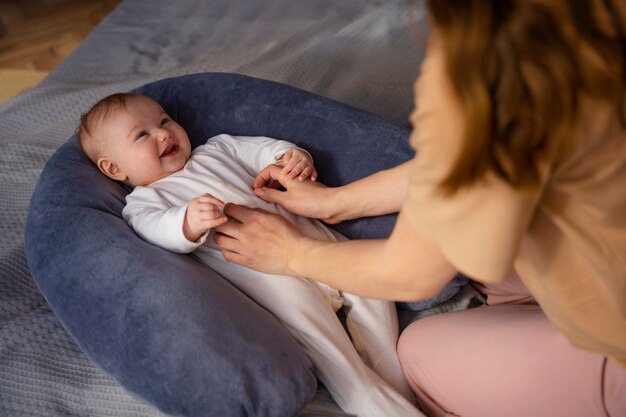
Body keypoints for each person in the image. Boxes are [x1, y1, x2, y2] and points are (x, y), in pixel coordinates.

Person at [211, 1, 626, 416]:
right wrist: (336, 202)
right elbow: (462, 161)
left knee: (419, 350)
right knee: (491, 263)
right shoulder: (576, 40)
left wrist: (292, 252)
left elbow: (410, 274)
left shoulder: (500, 70)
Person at [77, 92, 425, 417]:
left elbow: (263, 150)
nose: (163, 134)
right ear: (113, 169)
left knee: (374, 297)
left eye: (165, 121)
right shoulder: (145, 201)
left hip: (323, 245)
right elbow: (153, 228)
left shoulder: (217, 149)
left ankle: (393, 379)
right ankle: (360, 391)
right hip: (274, 282)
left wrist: (290, 158)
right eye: (142, 135)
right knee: (327, 347)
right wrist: (186, 222)